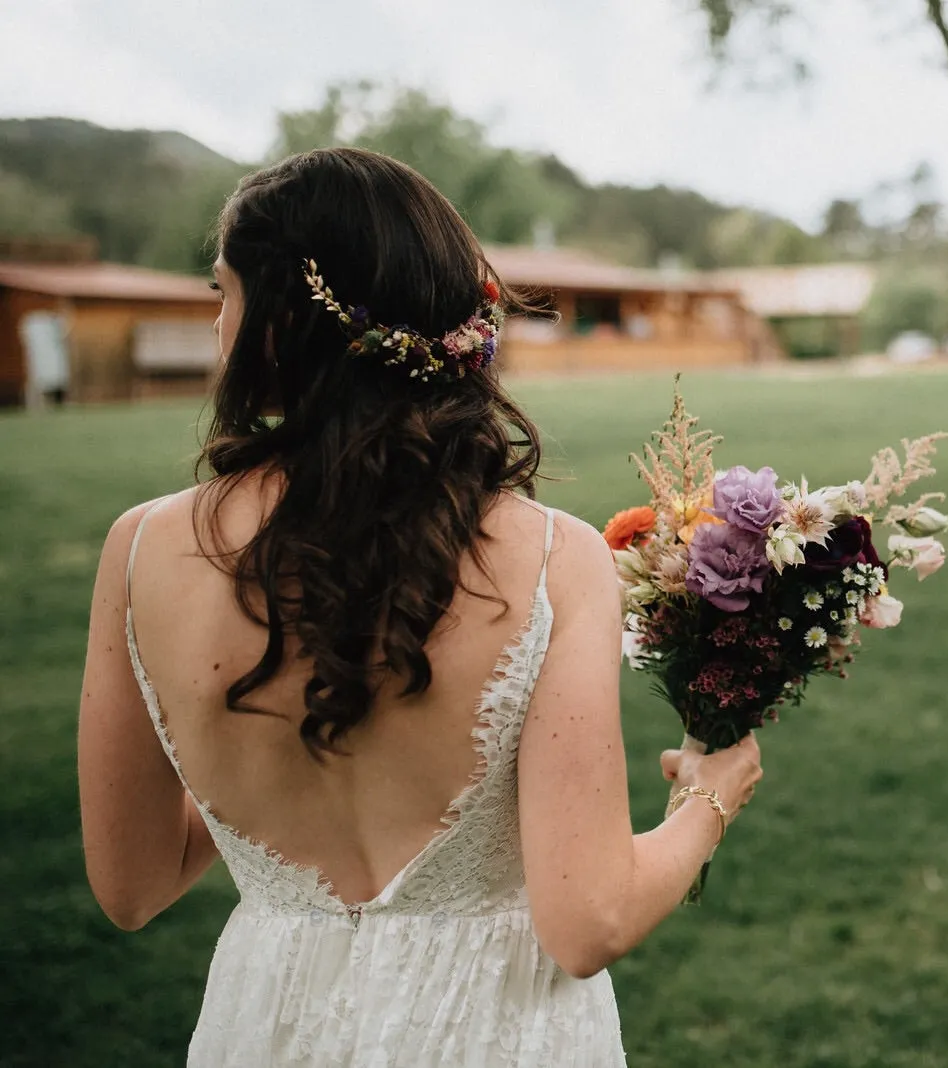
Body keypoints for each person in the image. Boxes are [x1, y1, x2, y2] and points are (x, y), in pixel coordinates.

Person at [77, 147, 763, 1066]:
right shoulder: (557, 560)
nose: (215, 325)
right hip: (501, 1035)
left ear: (280, 322)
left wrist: (248, 767)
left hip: (269, 1032)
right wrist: (709, 801)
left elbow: (132, 885)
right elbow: (587, 922)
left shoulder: (139, 553)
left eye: (222, 294)